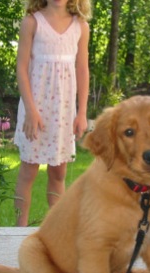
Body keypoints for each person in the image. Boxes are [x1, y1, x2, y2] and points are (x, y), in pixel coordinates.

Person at [14, 0, 91, 226]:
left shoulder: (80, 26)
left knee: (58, 174)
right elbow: (21, 68)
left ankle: (56, 231)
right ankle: (18, 232)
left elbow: (83, 69)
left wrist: (82, 113)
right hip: (35, 109)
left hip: (64, 112)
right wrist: (30, 111)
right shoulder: (32, 22)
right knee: (28, 172)